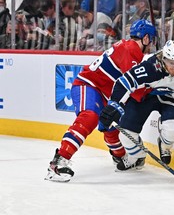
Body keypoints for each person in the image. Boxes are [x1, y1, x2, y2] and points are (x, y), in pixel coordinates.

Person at [45, 19, 157, 182]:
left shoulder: (128, 47)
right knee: (90, 116)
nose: (152, 44)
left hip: (104, 92)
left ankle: (120, 157)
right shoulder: (132, 50)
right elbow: (136, 90)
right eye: (151, 40)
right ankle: (58, 162)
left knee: (111, 126)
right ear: (146, 38)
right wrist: (155, 90)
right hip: (88, 85)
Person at [99, 40, 174, 171]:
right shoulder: (150, 67)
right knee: (126, 132)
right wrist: (114, 105)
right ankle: (137, 158)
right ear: (163, 58)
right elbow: (124, 82)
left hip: (169, 98)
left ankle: (164, 145)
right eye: (170, 62)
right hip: (146, 96)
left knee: (173, 129)